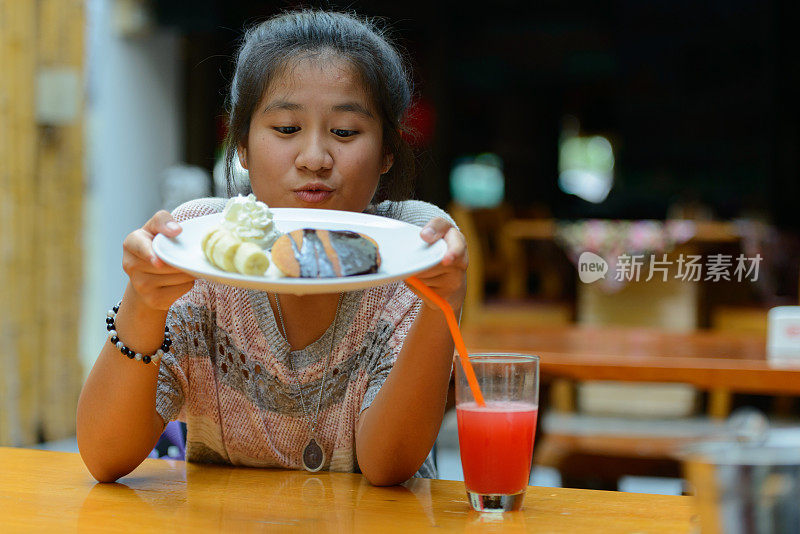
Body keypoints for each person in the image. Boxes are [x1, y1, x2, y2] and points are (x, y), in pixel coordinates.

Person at [77, 9, 467, 486]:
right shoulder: (202, 242)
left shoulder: (416, 245)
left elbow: (387, 467)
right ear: (241, 143)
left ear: (388, 150)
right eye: (286, 129)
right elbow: (103, 456)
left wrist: (442, 304)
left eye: (345, 132)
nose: (315, 158)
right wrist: (144, 302)